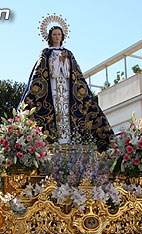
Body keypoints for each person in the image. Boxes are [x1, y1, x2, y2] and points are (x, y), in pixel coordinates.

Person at [20, 19, 114, 151]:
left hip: (66, 88)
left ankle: (68, 140)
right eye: (54, 34)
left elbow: (71, 73)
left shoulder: (68, 53)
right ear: (50, 37)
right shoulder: (46, 53)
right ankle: (57, 140)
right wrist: (58, 61)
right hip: (52, 88)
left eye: (59, 34)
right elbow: (50, 73)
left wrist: (64, 62)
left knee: (66, 111)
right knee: (56, 111)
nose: (57, 37)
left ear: (62, 36)